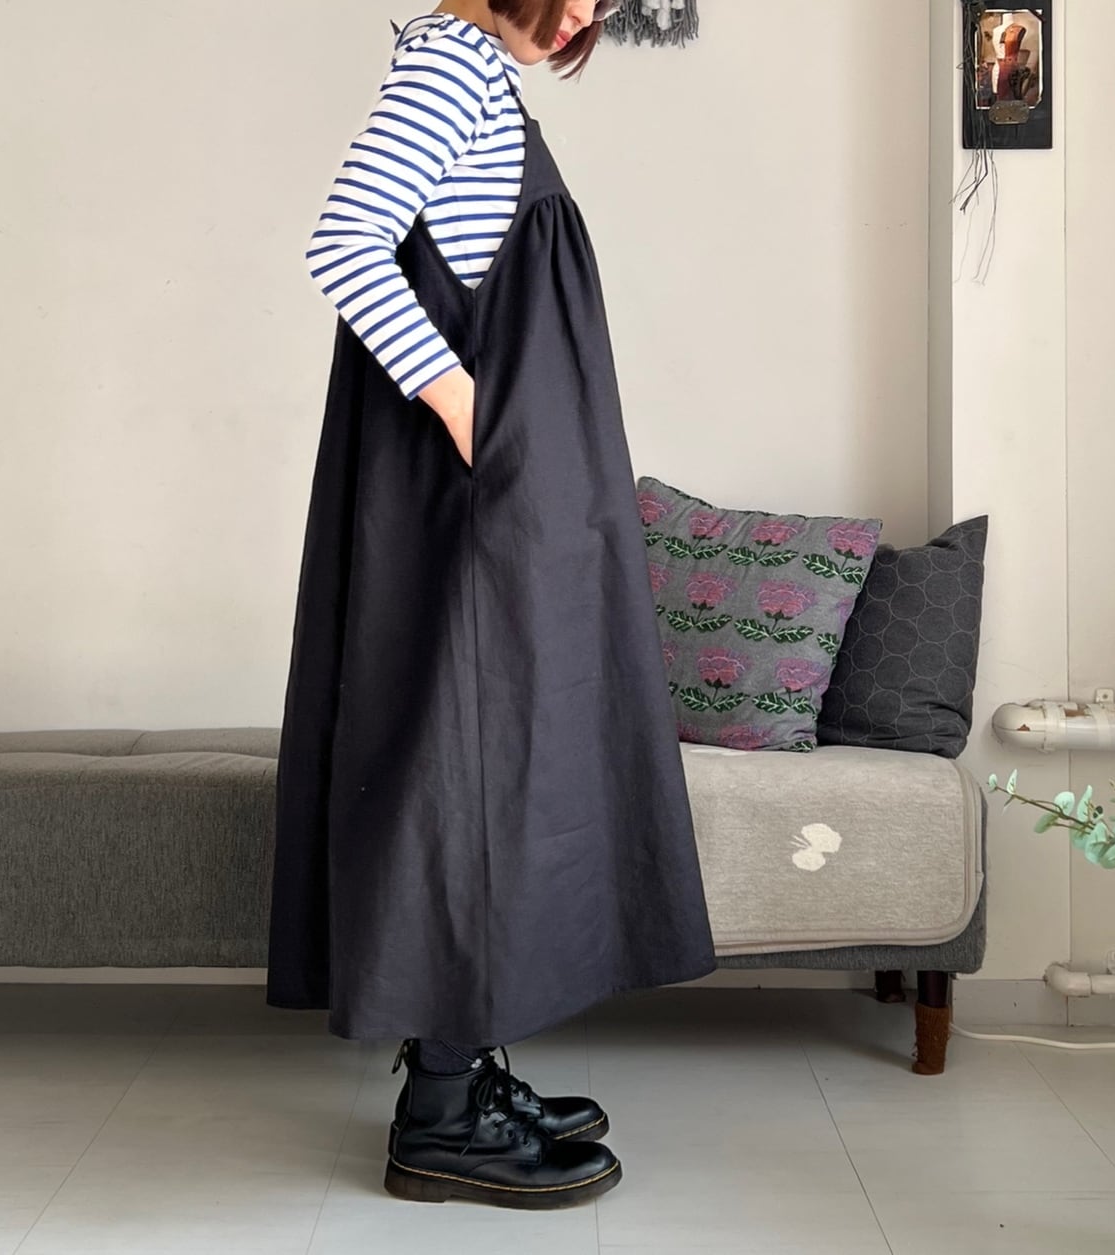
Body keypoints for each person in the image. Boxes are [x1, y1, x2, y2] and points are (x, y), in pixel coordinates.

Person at [266, 0, 716, 1209]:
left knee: (497, 766)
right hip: (483, 499)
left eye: (606, 2)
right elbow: (344, 242)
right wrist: (473, 411)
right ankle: (440, 1118)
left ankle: (460, 1070)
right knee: (472, 772)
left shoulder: (476, 79)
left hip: (514, 495)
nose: (580, 17)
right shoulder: (453, 68)